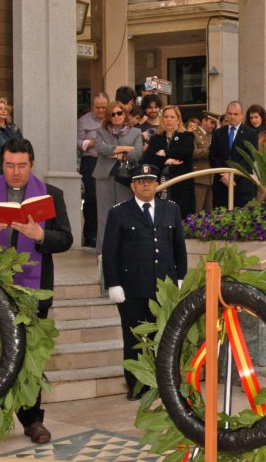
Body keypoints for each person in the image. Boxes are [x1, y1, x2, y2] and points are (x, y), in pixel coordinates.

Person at [0, 137, 73, 450]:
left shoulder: (51, 194)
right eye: (9, 165)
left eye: (21, 165)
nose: (15, 171)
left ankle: (32, 419)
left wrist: (40, 235)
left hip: (33, 288)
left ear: (32, 165)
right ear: (2, 163)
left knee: (30, 353)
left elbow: (66, 239)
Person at [103, 164, 187, 401]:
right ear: (133, 186)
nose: (146, 185)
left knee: (164, 337)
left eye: (150, 180)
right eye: (141, 181)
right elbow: (110, 252)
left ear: (156, 184)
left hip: (163, 288)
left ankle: (164, 383)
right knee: (133, 339)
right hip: (132, 288)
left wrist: (180, 277)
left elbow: (179, 247)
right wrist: (113, 284)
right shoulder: (119, 213)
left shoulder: (170, 209)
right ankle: (136, 385)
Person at [92, 101, 143, 258]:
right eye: (112, 114)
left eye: (119, 113)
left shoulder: (135, 132)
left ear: (124, 114)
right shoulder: (101, 132)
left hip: (124, 178)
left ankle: (125, 249)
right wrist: (124, 149)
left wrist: (113, 152)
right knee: (104, 215)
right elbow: (101, 149)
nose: (116, 117)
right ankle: (103, 251)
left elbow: (137, 154)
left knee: (125, 213)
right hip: (104, 177)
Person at [142, 105, 195, 218]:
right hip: (160, 185)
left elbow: (185, 153)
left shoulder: (187, 136)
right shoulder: (156, 138)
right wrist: (167, 161)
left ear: (178, 119)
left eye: (172, 117)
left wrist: (165, 153)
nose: (169, 119)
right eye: (166, 117)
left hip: (181, 187)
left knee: (180, 219)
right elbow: (148, 159)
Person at [210, 101, 259, 208]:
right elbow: (213, 156)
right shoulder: (218, 133)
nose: (232, 117)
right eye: (229, 114)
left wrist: (233, 176)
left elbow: (250, 157)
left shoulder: (250, 133)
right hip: (221, 185)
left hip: (242, 186)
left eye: (235, 114)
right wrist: (224, 174)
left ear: (242, 115)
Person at [77, 92, 108, 247]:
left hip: (108, 160)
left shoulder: (113, 118)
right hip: (91, 160)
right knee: (92, 198)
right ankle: (90, 235)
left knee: (107, 198)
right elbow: (77, 142)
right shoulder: (84, 121)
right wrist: (92, 143)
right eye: (98, 108)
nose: (101, 111)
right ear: (92, 107)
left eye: (104, 107)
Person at [191, 112, 217, 213]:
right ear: (204, 121)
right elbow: (192, 152)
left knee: (209, 211)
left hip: (211, 178)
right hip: (199, 177)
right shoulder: (193, 134)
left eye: (215, 123)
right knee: (197, 209)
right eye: (211, 122)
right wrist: (210, 151)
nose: (213, 126)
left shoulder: (212, 136)